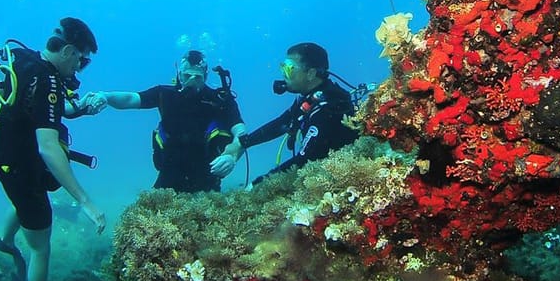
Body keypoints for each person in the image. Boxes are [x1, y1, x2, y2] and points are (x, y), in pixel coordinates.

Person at [0, 17, 107, 281]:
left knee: (23, 201)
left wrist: (81, 109)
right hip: (22, 168)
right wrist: (85, 201)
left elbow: (42, 109)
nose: (80, 67)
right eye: (82, 60)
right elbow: (48, 146)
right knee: (41, 249)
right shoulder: (50, 82)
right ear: (68, 52)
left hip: (4, 159)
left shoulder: (24, 59)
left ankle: (5, 242)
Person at [91, 50, 246, 192]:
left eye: (197, 77)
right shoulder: (165, 95)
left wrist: (232, 155)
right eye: (187, 76)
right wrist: (106, 96)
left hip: (207, 176)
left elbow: (240, 131)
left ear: (205, 76)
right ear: (179, 74)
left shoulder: (221, 100)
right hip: (169, 174)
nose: (192, 82)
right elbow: (132, 98)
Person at [237, 42, 359, 186]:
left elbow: (305, 158)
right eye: (283, 66)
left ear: (311, 73)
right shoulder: (309, 97)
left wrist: (258, 184)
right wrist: (244, 143)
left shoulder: (326, 108)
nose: (283, 74)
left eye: (289, 68)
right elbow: (284, 122)